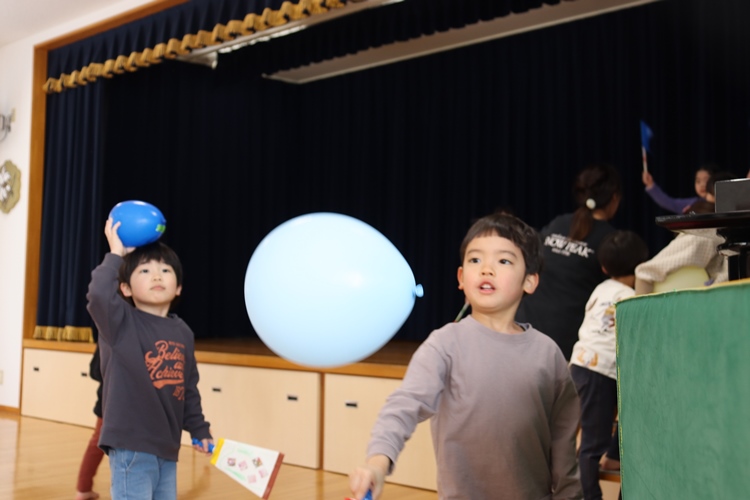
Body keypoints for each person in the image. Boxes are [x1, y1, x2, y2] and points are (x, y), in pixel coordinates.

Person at [348, 213, 582, 500]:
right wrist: (377, 464)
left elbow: (563, 439)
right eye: (475, 259)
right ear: (461, 278)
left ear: (530, 281)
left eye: (503, 261)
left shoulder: (548, 353)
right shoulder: (444, 344)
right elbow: (405, 405)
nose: (486, 269)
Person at [86, 218, 213, 500]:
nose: (157, 276)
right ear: (125, 288)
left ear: (178, 287)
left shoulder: (183, 332)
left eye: (165, 270)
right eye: (144, 270)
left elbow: (188, 388)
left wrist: (199, 429)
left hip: (167, 448)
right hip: (130, 446)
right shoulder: (119, 323)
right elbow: (98, 294)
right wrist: (116, 255)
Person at [569, 230, 649, 500]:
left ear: (603, 267)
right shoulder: (632, 297)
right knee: (592, 446)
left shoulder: (600, 288)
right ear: (641, 264)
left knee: (598, 434)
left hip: (580, 365)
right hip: (600, 372)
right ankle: (590, 496)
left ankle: (613, 456)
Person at [516, 163, 622, 359]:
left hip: (524, 331)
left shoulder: (559, 223)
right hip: (561, 347)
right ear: (614, 197)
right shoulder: (612, 240)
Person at [75, 346, 105, 500]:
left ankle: (83, 488)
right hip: (111, 401)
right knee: (98, 443)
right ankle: (83, 488)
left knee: (97, 443)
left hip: (109, 401)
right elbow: (95, 371)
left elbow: (95, 371)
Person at [641, 164, 714, 214]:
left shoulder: (719, 204)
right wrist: (650, 184)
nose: (702, 185)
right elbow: (670, 203)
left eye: (706, 180)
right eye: (698, 181)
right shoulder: (692, 204)